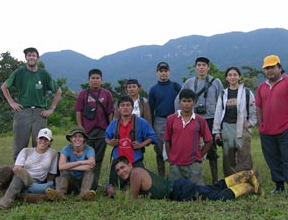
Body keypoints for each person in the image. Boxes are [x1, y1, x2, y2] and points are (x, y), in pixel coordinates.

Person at [106, 156, 263, 201]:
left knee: (217, 196)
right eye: (117, 170)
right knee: (212, 188)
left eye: (122, 167)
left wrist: (114, 193)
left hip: (180, 191)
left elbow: (131, 199)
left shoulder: (135, 173)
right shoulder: (136, 173)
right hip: (180, 186)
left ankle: (248, 186)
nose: (120, 172)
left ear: (130, 165)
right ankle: (247, 175)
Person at [255, 55, 288, 199]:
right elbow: (258, 106)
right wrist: (261, 124)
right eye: (267, 68)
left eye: (272, 67)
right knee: (272, 158)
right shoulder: (262, 87)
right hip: (267, 130)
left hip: (285, 129)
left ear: (280, 68)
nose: (269, 71)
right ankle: (279, 186)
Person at [1, 47, 62, 161]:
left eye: (33, 55)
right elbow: (4, 86)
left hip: (40, 113)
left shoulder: (43, 73)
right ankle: (18, 172)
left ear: (37, 58)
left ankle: (39, 172)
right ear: (26, 58)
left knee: (40, 143)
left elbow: (58, 91)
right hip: (22, 111)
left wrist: (51, 109)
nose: (31, 57)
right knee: (19, 144)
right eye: (29, 55)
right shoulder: (20, 72)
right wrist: (11, 102)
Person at [0, 128, 58, 210]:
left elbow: (52, 173)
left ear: (50, 142)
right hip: (18, 178)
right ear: (37, 139)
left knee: (21, 171)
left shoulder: (53, 153)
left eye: (46, 139)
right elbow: (17, 167)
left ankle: (6, 201)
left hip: (34, 180)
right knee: (6, 169)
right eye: (41, 138)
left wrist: (47, 186)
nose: (43, 141)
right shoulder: (26, 151)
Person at [175, 57, 223, 183]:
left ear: (208, 67)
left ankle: (215, 180)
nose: (201, 67)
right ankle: (192, 176)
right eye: (199, 65)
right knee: (192, 147)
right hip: (194, 118)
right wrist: (179, 116)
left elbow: (222, 101)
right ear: (195, 67)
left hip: (210, 119)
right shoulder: (189, 82)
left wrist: (221, 120)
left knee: (212, 149)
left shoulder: (216, 81)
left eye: (204, 65)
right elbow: (178, 99)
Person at [74, 69, 114, 191]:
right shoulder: (83, 94)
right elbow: (78, 111)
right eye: (93, 78)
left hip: (102, 130)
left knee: (98, 158)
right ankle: (83, 182)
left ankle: (94, 184)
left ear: (101, 80)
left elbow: (110, 112)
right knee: (85, 157)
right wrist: (80, 127)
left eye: (97, 78)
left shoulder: (106, 94)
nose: (95, 80)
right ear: (88, 79)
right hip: (87, 131)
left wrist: (110, 127)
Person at [213, 67, 257, 177]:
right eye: (230, 75)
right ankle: (231, 182)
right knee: (228, 157)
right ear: (226, 78)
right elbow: (218, 113)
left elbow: (254, 112)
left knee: (245, 156)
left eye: (235, 75)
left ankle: (246, 182)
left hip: (242, 127)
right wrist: (217, 132)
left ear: (239, 77)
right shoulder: (223, 94)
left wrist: (250, 123)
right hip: (227, 128)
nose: (232, 77)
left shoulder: (247, 93)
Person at [105, 95, 157, 187]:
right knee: (112, 188)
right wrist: (110, 142)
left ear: (132, 108)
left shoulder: (141, 122)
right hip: (118, 160)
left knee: (141, 187)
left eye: (128, 105)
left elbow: (152, 137)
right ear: (118, 109)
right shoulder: (114, 123)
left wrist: (141, 144)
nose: (125, 107)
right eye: (122, 105)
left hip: (135, 159)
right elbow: (106, 136)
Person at [165, 89, 212, 185]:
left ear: (194, 103)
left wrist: (199, 155)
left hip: (193, 163)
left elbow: (209, 141)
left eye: (189, 101)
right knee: (174, 192)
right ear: (179, 102)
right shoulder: (171, 119)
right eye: (184, 101)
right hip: (175, 163)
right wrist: (170, 158)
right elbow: (167, 140)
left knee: (197, 191)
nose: (186, 104)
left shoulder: (200, 120)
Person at [148, 62, 181, 177]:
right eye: (161, 71)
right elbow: (150, 109)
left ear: (169, 72)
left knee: (175, 146)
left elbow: (183, 103)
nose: (163, 73)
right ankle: (161, 175)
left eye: (165, 71)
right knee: (159, 148)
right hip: (159, 120)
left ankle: (175, 173)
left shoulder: (176, 87)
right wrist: (150, 127)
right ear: (157, 73)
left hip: (175, 119)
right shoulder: (153, 90)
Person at [47, 126, 96, 201]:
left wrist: (68, 166)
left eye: (80, 136)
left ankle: (84, 194)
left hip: (84, 180)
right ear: (70, 139)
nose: (77, 139)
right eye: (74, 136)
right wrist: (81, 162)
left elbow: (91, 166)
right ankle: (60, 194)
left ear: (84, 139)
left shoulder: (89, 149)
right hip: (70, 180)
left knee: (89, 172)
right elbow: (61, 166)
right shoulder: (66, 149)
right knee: (64, 172)